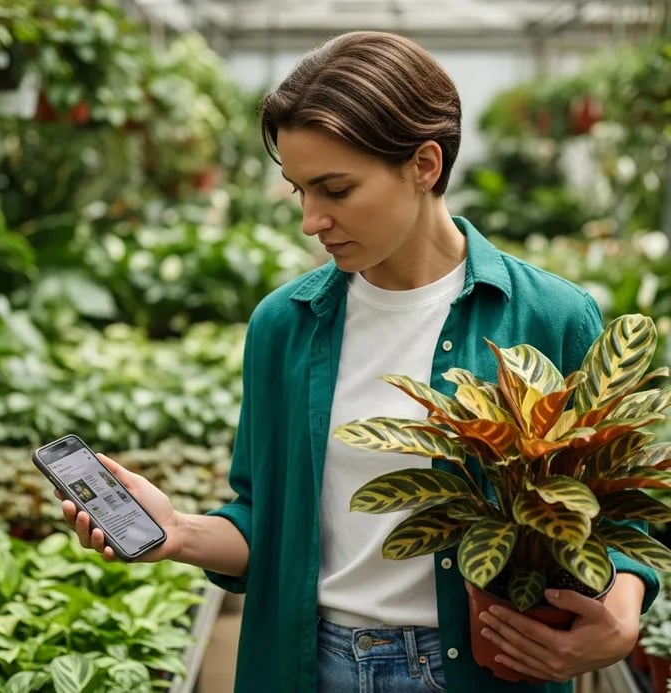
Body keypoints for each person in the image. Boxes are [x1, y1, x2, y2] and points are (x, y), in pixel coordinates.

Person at [60, 30, 658, 692]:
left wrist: (623, 613)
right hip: (310, 667)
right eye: (298, 191)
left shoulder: (550, 317)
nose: (311, 220)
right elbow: (263, 521)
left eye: (335, 188)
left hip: (487, 672)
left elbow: (622, 516)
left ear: (425, 164)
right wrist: (176, 531)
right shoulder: (283, 326)